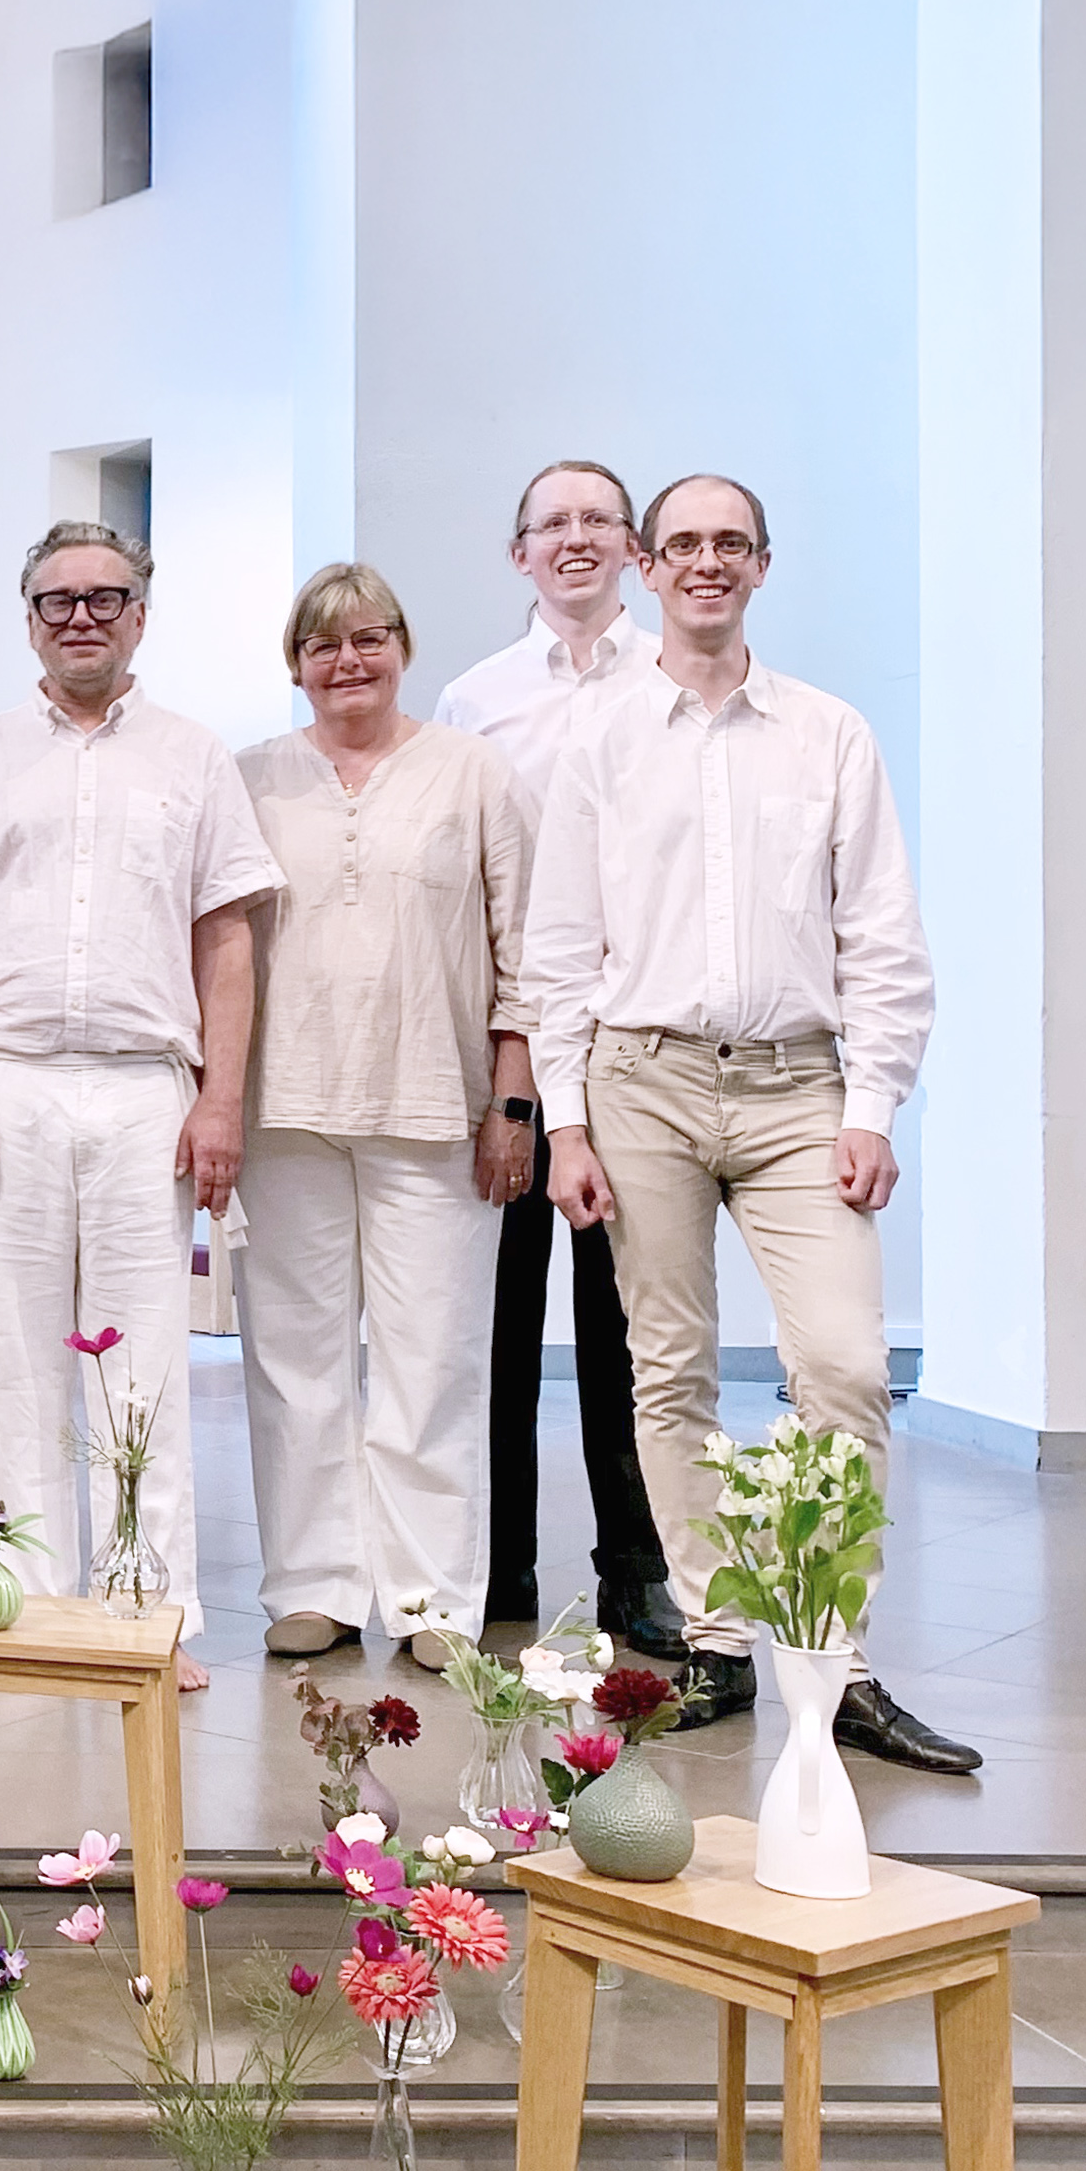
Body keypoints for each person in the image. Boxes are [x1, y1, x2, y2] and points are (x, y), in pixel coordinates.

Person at [524, 474, 976, 1772]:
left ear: (762, 567)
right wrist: (566, 1123)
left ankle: (836, 1666)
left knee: (839, 1365)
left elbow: (883, 934)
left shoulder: (829, 734)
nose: (707, 563)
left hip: (797, 1091)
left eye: (732, 543)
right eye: (686, 546)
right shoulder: (601, 739)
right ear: (649, 570)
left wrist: (874, 1102)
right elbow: (559, 948)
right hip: (643, 1082)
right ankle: (720, 1640)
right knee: (667, 1373)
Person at [0, 524, 282, 1692]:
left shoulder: (191, 757)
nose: (81, 616)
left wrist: (219, 1099)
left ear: (138, 612)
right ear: (25, 618)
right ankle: (18, 1601)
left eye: (103, 597)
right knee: (13, 1356)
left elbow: (226, 940)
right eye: (57, 599)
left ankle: (143, 1611)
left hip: (140, 1088)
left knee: (143, 1362)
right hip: (6, 1082)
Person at [234, 565, 533, 1671]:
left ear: (402, 646)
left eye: (367, 639)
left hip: (434, 1109)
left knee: (432, 1362)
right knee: (294, 1361)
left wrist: (512, 1101)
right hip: (284, 1110)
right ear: (294, 664)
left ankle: (430, 1597)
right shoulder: (250, 779)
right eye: (321, 645)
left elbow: (524, 949)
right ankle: (309, 1584)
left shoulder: (472, 773)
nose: (345, 661)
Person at [432, 461, 685, 1654]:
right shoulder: (473, 701)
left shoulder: (675, 683)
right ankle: (494, 1565)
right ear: (516, 552)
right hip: (508, 1052)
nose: (574, 538)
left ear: (631, 549)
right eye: (550, 523)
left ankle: (637, 1569)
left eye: (597, 520)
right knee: (490, 1322)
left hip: (632, 1051)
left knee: (626, 1328)